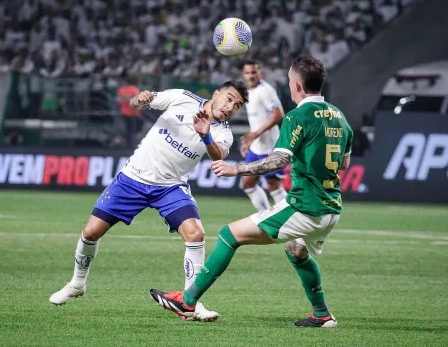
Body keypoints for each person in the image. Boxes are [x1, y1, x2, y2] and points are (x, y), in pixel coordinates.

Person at [149, 55, 354, 328]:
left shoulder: (298, 116)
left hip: (305, 205)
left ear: (297, 86)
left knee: (228, 235)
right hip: (331, 207)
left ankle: (187, 301)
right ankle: (322, 314)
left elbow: (279, 160)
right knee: (296, 250)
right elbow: (344, 163)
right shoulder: (340, 117)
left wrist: (237, 169)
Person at [50, 81, 249, 322]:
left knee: (195, 234)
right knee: (91, 233)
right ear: (216, 94)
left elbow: (218, 155)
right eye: (228, 98)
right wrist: (140, 99)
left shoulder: (223, 132)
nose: (230, 107)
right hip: (132, 179)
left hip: (170, 187)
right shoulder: (181, 98)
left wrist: (205, 135)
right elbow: (139, 102)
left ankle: (191, 302)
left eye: (237, 105)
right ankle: (77, 284)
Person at [240, 60, 287, 211]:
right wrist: (249, 142)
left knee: (273, 185)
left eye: (254, 72)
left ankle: (292, 221)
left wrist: (254, 134)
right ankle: (265, 216)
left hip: (271, 147)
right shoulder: (249, 92)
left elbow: (278, 115)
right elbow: (256, 120)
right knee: (247, 182)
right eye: (248, 73)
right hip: (257, 147)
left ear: (260, 73)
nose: (251, 76)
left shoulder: (265, 90)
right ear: (244, 75)